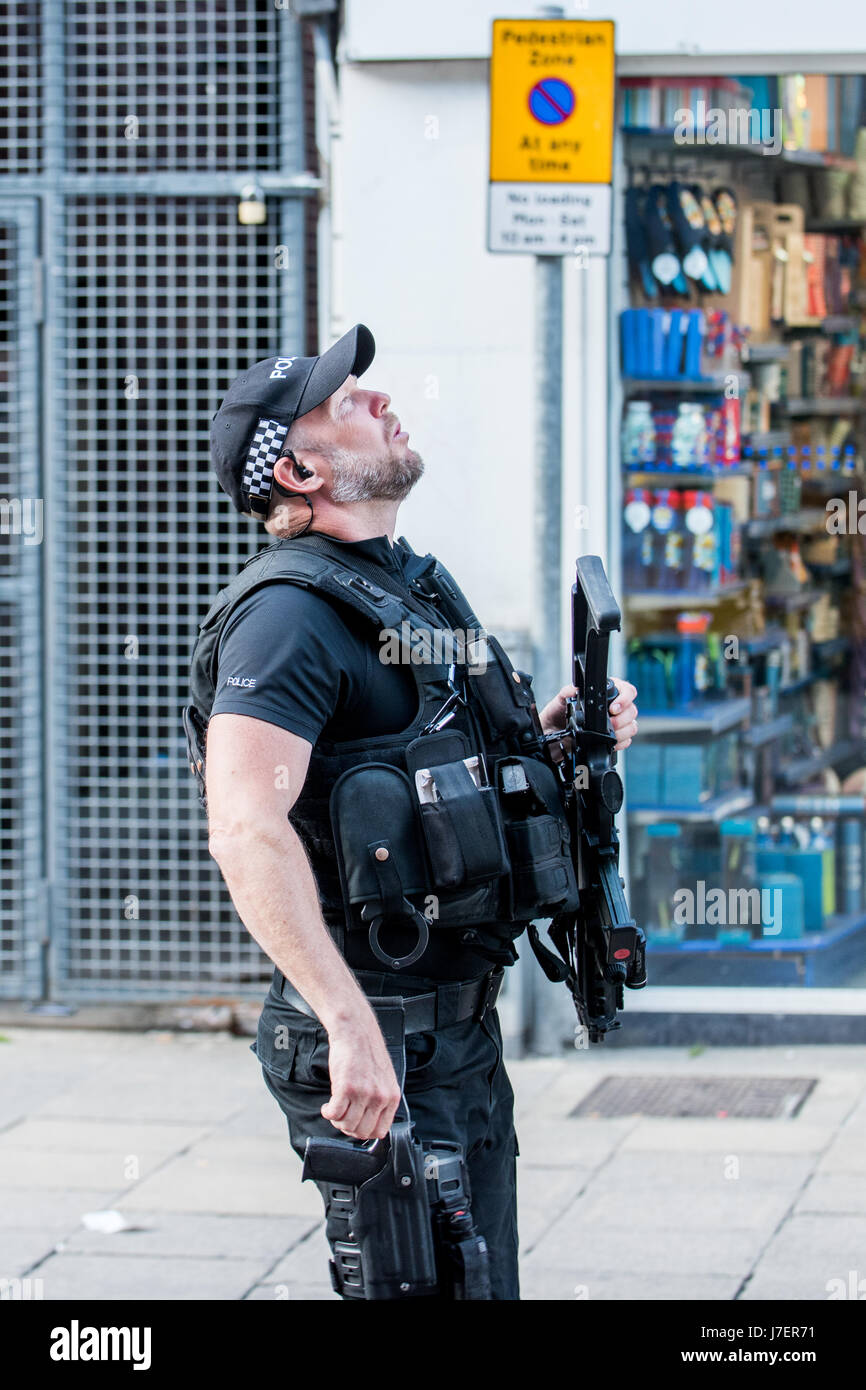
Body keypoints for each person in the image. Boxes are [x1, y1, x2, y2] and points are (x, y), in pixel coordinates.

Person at [198, 324, 639, 1300]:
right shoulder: (287, 616)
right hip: (378, 1031)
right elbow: (244, 826)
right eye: (345, 400)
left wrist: (563, 741)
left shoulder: (403, 587)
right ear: (301, 467)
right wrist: (346, 1022)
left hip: (454, 1035)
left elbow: (428, 768)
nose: (380, 400)